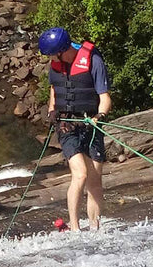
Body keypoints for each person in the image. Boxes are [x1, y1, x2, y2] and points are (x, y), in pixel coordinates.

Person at [38, 27, 112, 231]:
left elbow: (105, 98)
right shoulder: (56, 65)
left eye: (51, 54)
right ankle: (75, 229)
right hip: (66, 125)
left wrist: (100, 115)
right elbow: (54, 89)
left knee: (95, 181)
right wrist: (52, 110)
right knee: (80, 174)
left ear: (61, 50)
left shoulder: (93, 60)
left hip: (91, 124)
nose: (50, 58)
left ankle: (95, 227)